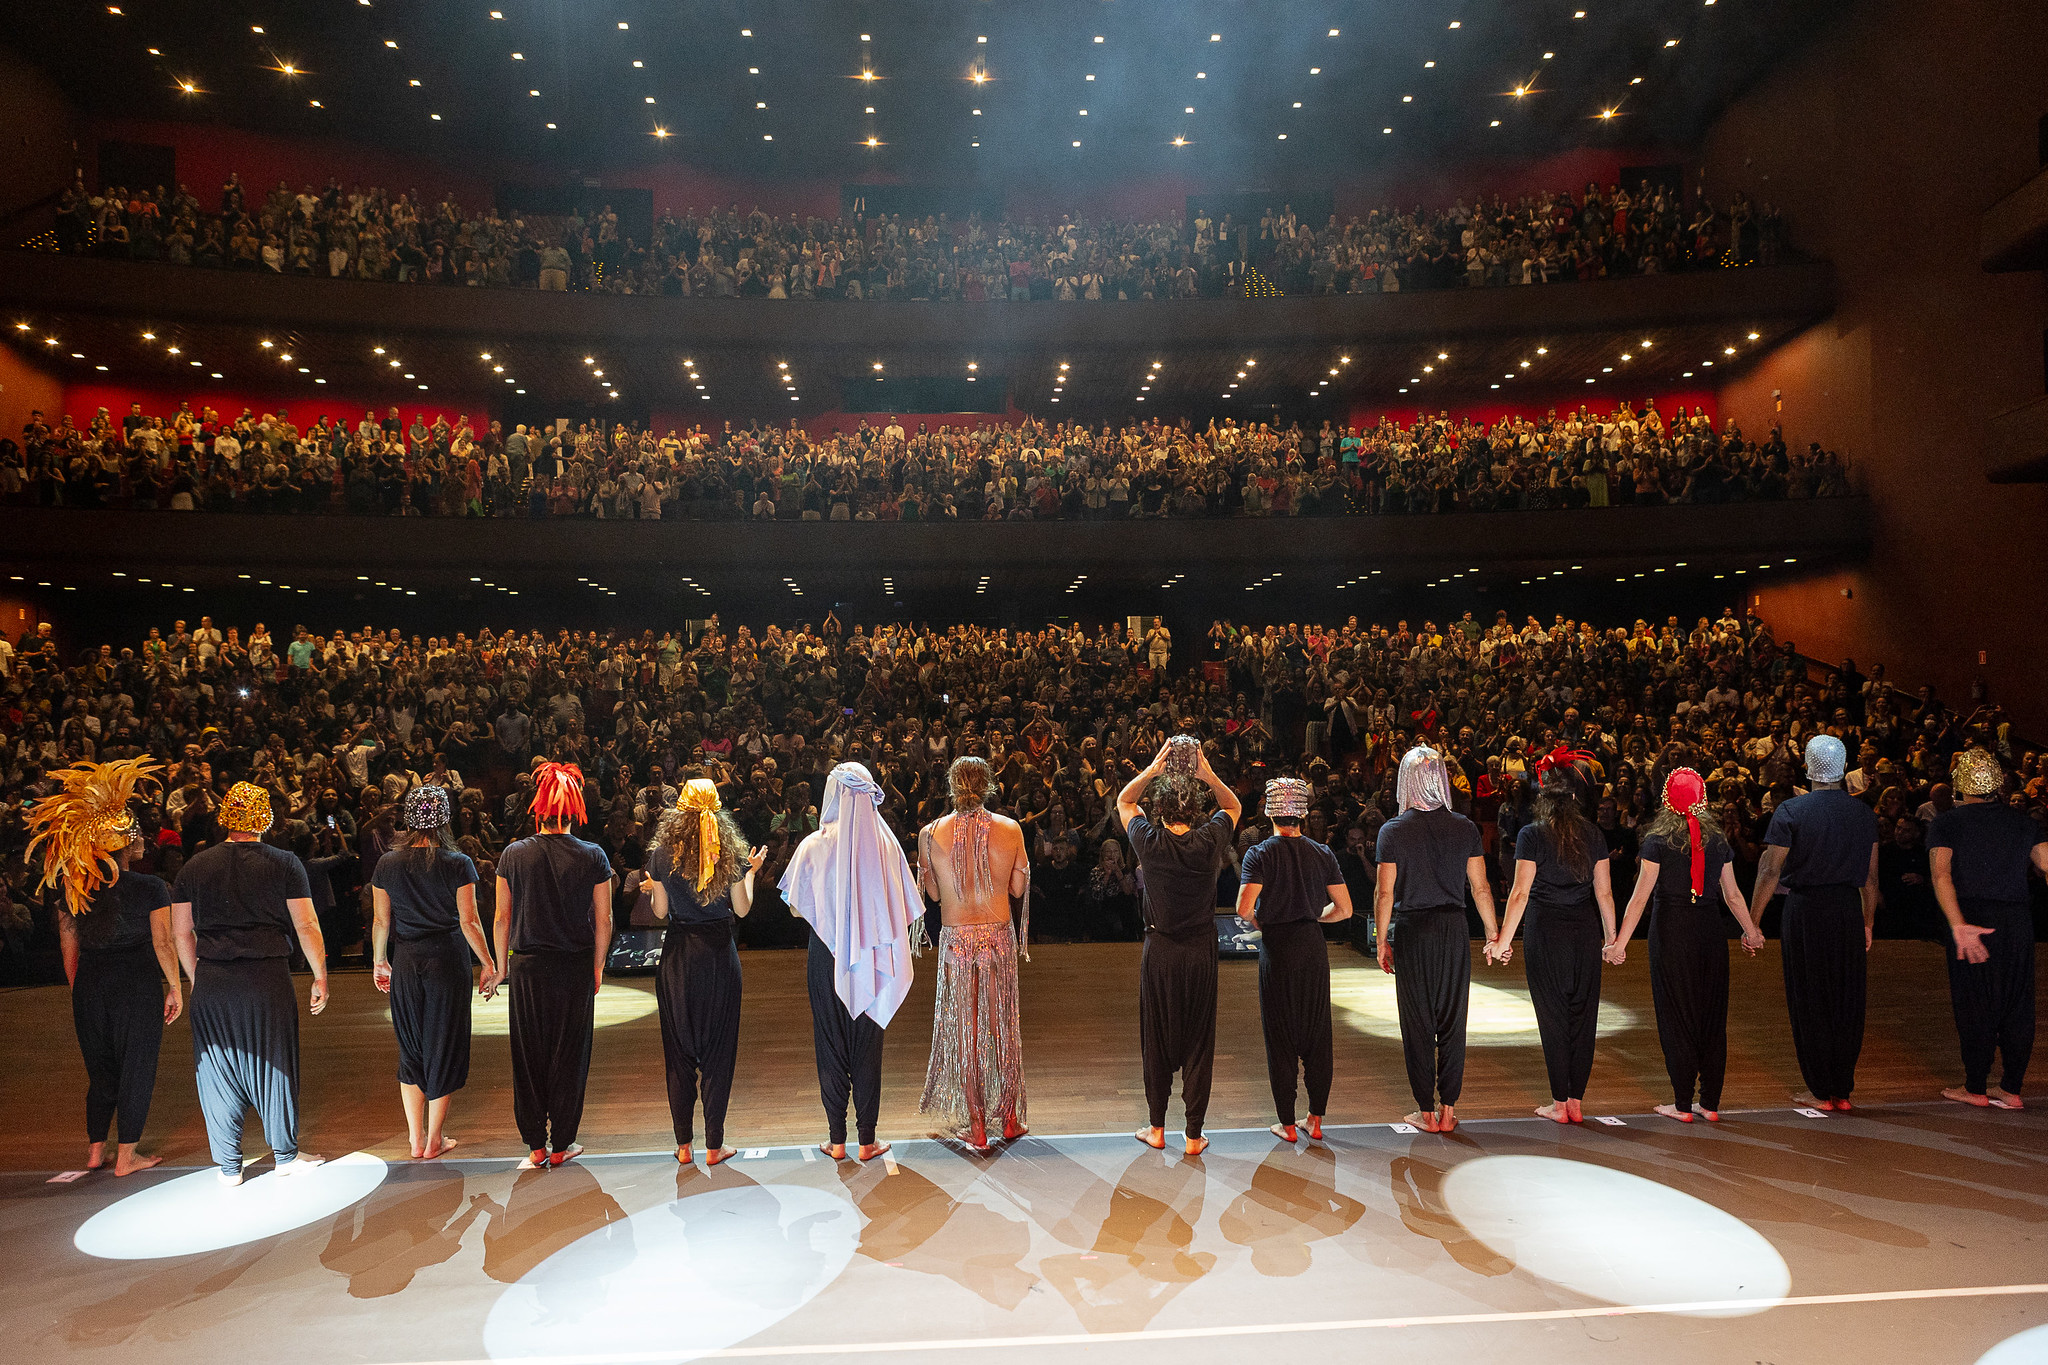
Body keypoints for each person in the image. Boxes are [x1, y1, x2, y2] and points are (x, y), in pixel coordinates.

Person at [170, 782, 328, 1185]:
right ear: (265, 818)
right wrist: (320, 974)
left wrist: (197, 977)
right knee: (274, 1063)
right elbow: (306, 925)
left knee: (217, 1070)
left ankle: (229, 1167)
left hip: (213, 978)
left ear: (225, 817)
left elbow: (181, 933)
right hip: (266, 978)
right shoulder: (284, 863)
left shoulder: (194, 867)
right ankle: (285, 1156)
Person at [28, 758, 181, 1176]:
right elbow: (163, 942)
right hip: (136, 985)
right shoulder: (151, 887)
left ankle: (96, 1150)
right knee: (136, 1067)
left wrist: (80, 989)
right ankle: (127, 1156)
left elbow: (68, 946)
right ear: (126, 843)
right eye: (137, 836)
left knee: (101, 1070)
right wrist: (175, 986)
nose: (142, 841)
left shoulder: (74, 887)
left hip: (90, 985)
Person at [782, 761, 924, 1161]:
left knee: (829, 1043)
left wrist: (831, 908)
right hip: (871, 954)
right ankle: (867, 1140)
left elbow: (796, 908)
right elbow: (901, 906)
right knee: (867, 1045)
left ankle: (837, 1140)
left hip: (825, 956)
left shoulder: (813, 845)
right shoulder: (886, 845)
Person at [1608, 766, 1766, 1123]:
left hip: (1671, 932)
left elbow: (1640, 897)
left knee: (1676, 1014)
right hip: (1709, 931)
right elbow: (1733, 895)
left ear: (1667, 800)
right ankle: (1709, 1103)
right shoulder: (1718, 840)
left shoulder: (1657, 840)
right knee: (1712, 1015)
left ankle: (1682, 1104)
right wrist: (1752, 932)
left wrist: (1619, 944)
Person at [1116, 736, 1241, 1155]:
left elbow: (1124, 801)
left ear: (1159, 810)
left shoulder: (1149, 842)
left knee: (1157, 1039)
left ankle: (1157, 1129)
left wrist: (1152, 770)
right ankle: (1192, 1136)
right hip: (1200, 952)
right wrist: (1208, 774)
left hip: (1161, 952)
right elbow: (1233, 807)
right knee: (1199, 1041)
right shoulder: (1209, 841)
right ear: (1196, 810)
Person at [1373, 746, 1501, 1134]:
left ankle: (1425, 1112)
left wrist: (1381, 941)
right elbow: (1481, 888)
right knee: (1452, 1020)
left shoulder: (1393, 831)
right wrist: (1493, 933)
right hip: (1453, 929)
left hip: (1413, 929)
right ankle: (1448, 1110)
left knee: (1417, 1021)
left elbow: (1384, 893)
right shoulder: (1465, 827)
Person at [492, 762, 613, 1169]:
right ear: (574, 808)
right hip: (573, 966)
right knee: (569, 1055)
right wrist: (598, 966)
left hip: (527, 968)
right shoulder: (593, 855)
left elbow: (502, 918)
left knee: (529, 1055)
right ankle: (561, 1144)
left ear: (538, 809)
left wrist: (500, 967)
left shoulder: (513, 854)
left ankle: (535, 1146)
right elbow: (604, 919)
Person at [1750, 734, 1880, 1110]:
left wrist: (1752, 922)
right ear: (1844, 768)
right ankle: (1842, 1089)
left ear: (1807, 768)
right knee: (1847, 998)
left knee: (1810, 997)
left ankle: (1820, 1090)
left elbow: (1769, 871)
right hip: (1847, 910)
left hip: (1806, 910)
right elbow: (1871, 878)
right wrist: (1867, 922)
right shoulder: (1863, 813)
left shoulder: (1791, 810)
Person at [370, 785, 496, 1160]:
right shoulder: (458, 862)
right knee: (444, 1045)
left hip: (407, 960)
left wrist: (380, 960)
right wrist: (488, 963)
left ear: (409, 820)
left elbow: (381, 921)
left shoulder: (387, 863)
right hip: (447, 961)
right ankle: (435, 1139)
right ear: (445, 820)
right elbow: (469, 922)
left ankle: (416, 1139)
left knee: (411, 1049)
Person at [1492, 747, 1617, 1124]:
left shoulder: (1531, 834)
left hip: (1545, 931)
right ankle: (1575, 1102)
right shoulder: (1593, 834)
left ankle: (1559, 1103)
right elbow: (1605, 893)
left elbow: (1519, 893)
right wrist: (1612, 940)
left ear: (1543, 796)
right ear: (1576, 796)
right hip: (1584, 932)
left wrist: (1502, 943)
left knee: (1553, 1017)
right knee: (1583, 1016)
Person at [648, 778, 765, 1166]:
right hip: (717, 956)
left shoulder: (663, 854)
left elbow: (660, 912)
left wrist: (654, 888)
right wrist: (751, 872)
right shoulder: (729, 851)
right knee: (719, 1051)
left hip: (678, 957)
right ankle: (715, 1146)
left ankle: (684, 1146)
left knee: (678, 1053)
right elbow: (742, 909)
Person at [917, 755, 1031, 1151]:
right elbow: (1017, 888)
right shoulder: (1011, 829)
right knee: (1002, 1026)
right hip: (998, 935)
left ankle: (977, 1126)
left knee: (965, 1029)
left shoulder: (930, 833)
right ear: (988, 786)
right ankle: (1011, 1119)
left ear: (951, 787)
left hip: (957, 939)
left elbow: (933, 895)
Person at [1237, 776, 1354, 1143]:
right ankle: (1314, 1120)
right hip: (1312, 947)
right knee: (1317, 1033)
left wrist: (1264, 920)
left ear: (1269, 812)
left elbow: (1243, 908)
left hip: (1278, 948)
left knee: (1281, 1035)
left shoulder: (1259, 853)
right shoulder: (1322, 853)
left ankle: (1287, 1125)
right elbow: (1345, 909)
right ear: (1303, 813)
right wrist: (1313, 916)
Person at [1929, 750, 2047, 1109]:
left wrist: (1958, 924)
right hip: (2016, 922)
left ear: (1959, 785)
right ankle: (2011, 1089)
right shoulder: (2023, 823)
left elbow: (1941, 875)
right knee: (2017, 1003)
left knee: (1975, 1003)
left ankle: (1976, 1087)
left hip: (1973, 918)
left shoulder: (1947, 823)